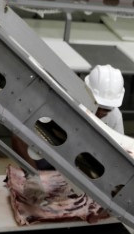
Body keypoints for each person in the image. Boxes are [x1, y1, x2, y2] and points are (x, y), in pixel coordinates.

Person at [11, 64, 126, 201]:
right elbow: (19, 135)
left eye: (107, 110)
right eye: (98, 106)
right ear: (86, 93)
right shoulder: (59, 102)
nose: (101, 113)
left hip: (82, 166)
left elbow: (118, 159)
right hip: (46, 158)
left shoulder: (114, 116)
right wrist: (32, 176)